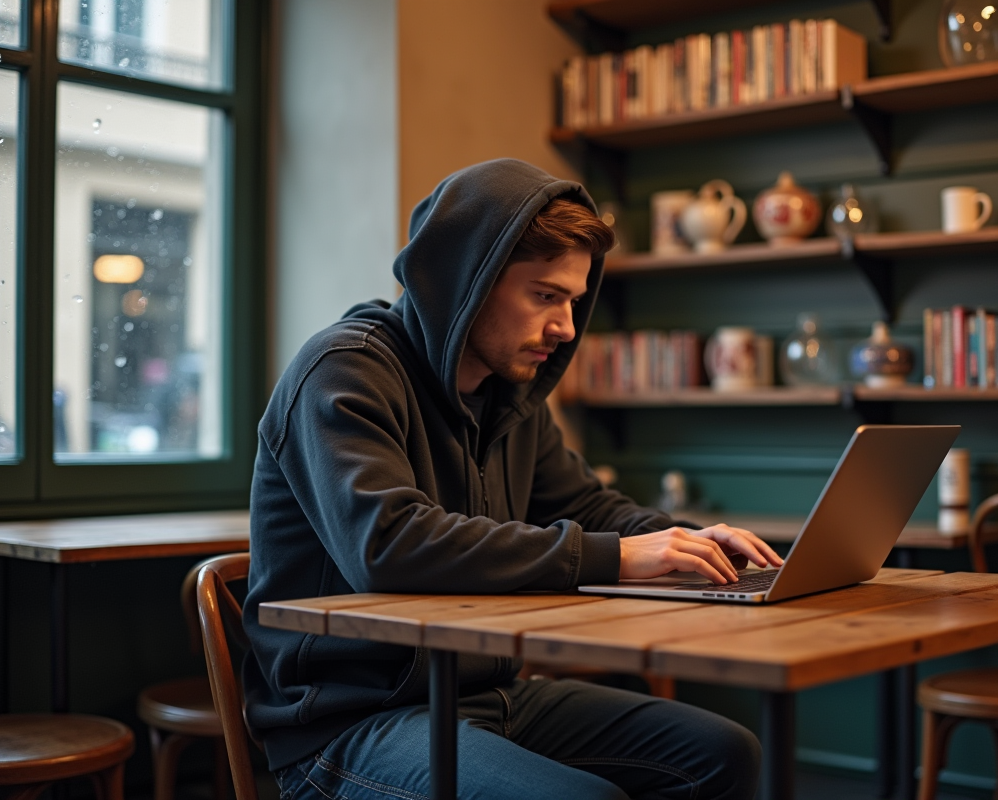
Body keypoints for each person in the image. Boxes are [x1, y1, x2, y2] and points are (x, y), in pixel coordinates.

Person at [244, 159, 783, 800]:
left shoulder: (509, 395)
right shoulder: (342, 372)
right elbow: (386, 546)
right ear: (465, 282)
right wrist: (616, 557)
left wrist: (687, 542)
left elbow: (585, 504)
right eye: (545, 295)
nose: (564, 327)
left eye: (573, 301)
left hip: (488, 694)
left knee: (723, 753)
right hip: (349, 723)